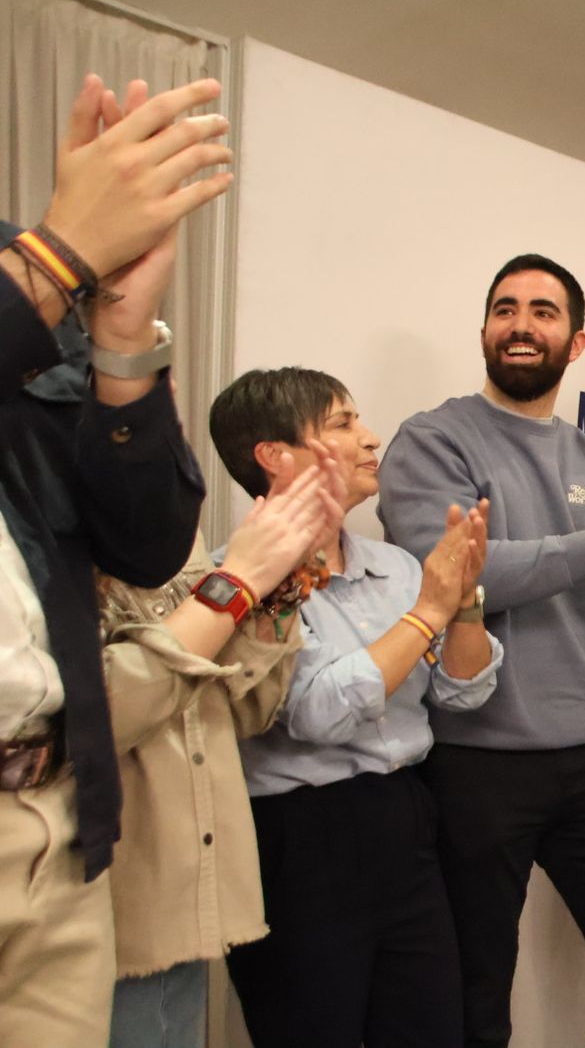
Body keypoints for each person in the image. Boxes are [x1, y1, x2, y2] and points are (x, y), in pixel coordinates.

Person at [380, 253, 585, 1048]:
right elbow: (461, 575)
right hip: (479, 760)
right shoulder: (433, 440)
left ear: (577, 341)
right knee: (474, 992)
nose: (522, 324)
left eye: (543, 311)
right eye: (506, 309)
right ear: (485, 331)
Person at [0, 73, 232, 1043]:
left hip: (51, 824)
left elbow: (144, 543)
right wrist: (53, 258)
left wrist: (124, 334)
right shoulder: (28, 279)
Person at [211, 367, 502, 1048]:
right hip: (300, 840)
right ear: (274, 457)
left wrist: (462, 603)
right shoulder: (231, 581)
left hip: (405, 819)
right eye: (342, 423)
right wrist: (429, 612)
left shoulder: (398, 567)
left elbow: (465, 691)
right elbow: (313, 710)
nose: (370, 438)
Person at [102, 455, 340, 1048]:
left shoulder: (173, 540)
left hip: (189, 893)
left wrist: (281, 587)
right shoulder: (30, 548)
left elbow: (239, 708)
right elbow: (101, 715)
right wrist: (237, 583)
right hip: (104, 899)